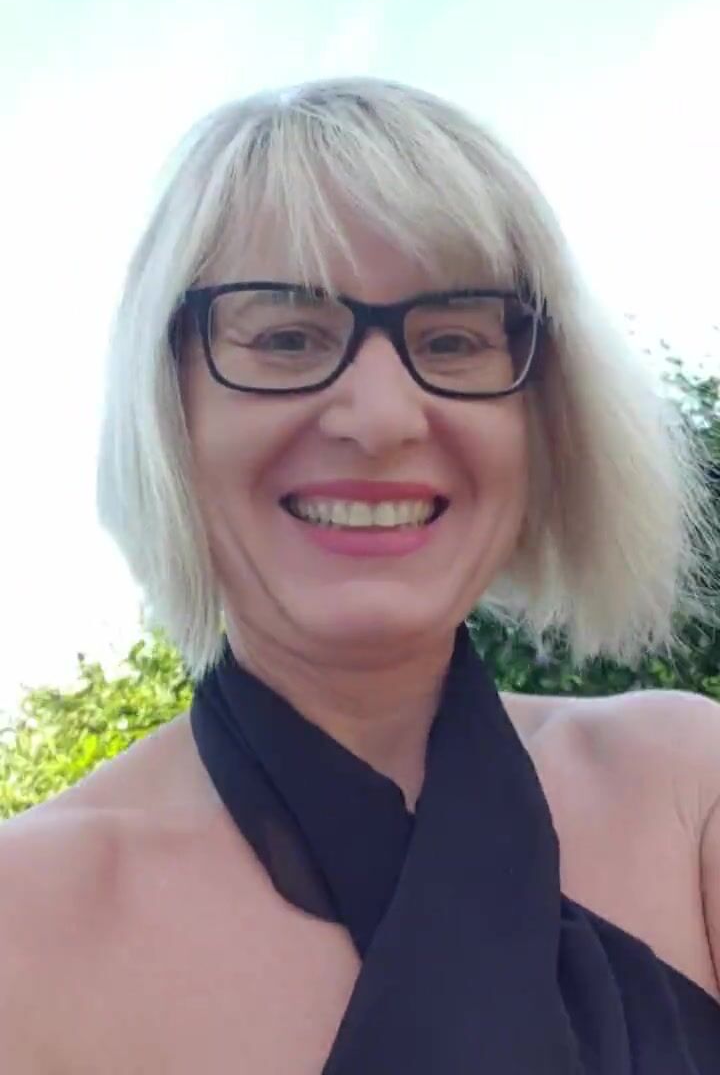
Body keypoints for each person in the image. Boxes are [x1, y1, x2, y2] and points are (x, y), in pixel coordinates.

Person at [1, 76, 719, 1073]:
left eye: (455, 339)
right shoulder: (24, 926)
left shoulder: (690, 789)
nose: (380, 419)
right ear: (170, 404)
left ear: (544, 413)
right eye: (286, 337)